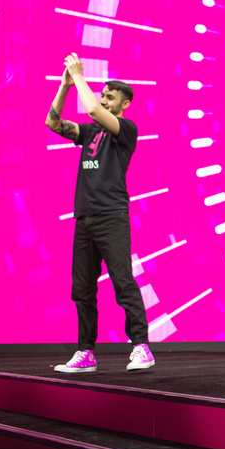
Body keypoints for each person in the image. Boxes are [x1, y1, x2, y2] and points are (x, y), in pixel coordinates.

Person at [45, 53, 154, 373]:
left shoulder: (127, 130)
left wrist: (78, 75)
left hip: (112, 216)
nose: (103, 99)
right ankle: (85, 352)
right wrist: (65, 86)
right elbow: (52, 122)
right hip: (85, 217)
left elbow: (92, 107)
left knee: (123, 281)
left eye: (110, 96)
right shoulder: (89, 132)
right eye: (103, 93)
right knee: (82, 288)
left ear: (124, 105)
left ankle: (141, 346)